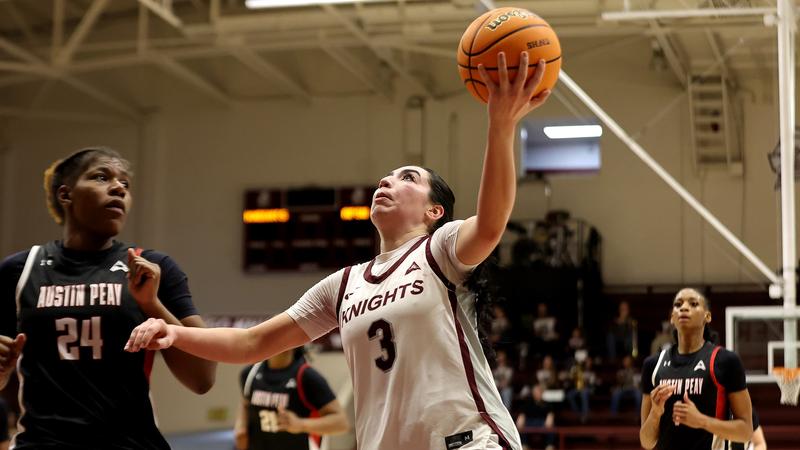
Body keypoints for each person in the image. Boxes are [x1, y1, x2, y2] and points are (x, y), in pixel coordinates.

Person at [125, 52, 552, 450]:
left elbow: (493, 222)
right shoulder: (342, 285)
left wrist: (501, 125)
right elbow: (253, 341)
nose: (385, 182)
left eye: (405, 177)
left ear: (434, 210)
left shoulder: (439, 250)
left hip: (467, 440)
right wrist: (174, 333)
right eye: (383, 178)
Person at [0, 147, 217, 449]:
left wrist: (151, 305)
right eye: (101, 177)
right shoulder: (18, 270)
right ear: (66, 195)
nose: (118, 188)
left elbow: (202, 378)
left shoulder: (153, 267)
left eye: (125, 184)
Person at [640, 288, 753, 450]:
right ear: (672, 317)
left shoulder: (725, 361)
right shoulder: (653, 365)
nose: (684, 308)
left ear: (707, 316)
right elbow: (646, 442)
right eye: (678, 305)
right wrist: (655, 413)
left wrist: (701, 421)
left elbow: (746, 432)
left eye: (693, 304)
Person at [234, 347, 349, 450]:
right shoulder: (249, 373)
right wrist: (241, 426)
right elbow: (245, 403)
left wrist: (301, 424)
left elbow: (341, 423)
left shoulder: (307, 376)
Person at [515, 384, 555, 450]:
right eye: (535, 392)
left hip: (542, 423)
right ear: (533, 393)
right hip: (529, 423)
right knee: (521, 427)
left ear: (542, 393)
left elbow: (550, 416)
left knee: (552, 427)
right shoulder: (527, 404)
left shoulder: (548, 404)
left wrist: (549, 421)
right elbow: (522, 415)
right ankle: (524, 444)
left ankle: (549, 445)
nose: (537, 393)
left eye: (539, 391)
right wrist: (520, 421)